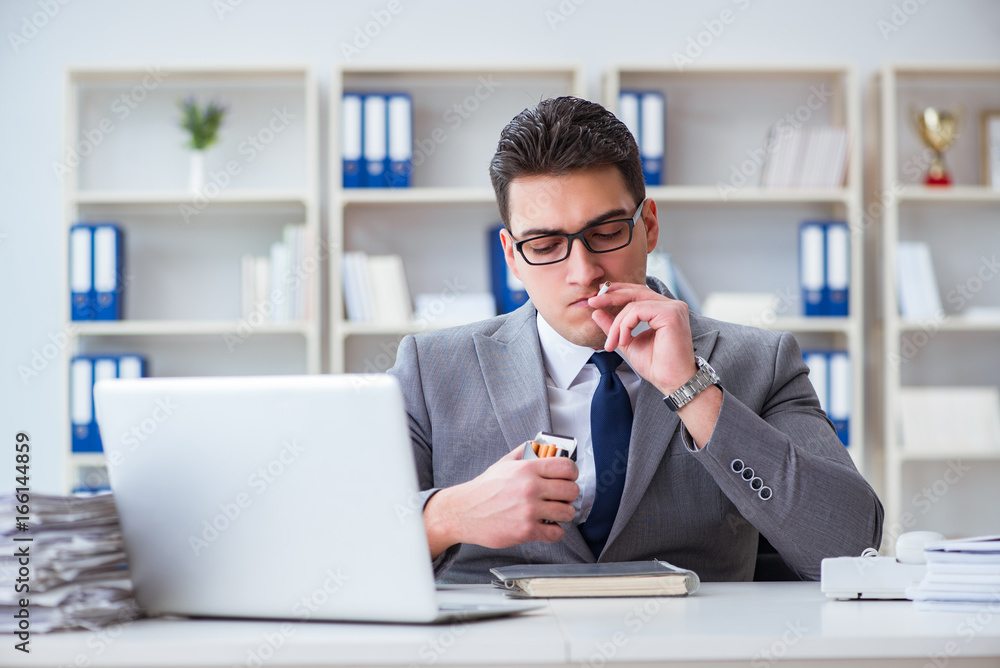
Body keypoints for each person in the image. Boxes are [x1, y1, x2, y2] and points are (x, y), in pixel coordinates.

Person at [387, 96, 882, 584]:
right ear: (513, 256)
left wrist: (691, 390)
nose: (583, 272)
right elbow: (330, 550)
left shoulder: (760, 363)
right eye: (545, 245)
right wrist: (445, 517)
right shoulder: (432, 371)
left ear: (648, 225)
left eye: (604, 233)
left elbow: (848, 545)